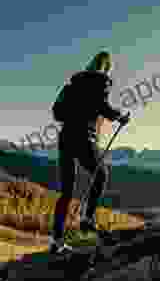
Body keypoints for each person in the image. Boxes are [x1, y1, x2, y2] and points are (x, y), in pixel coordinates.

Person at [50, 51, 131, 254]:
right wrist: (119, 116)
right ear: (106, 67)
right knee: (101, 174)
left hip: (66, 137)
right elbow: (102, 106)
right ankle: (87, 219)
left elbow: (56, 112)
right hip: (84, 137)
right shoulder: (100, 81)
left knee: (66, 192)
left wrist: (75, 112)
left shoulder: (72, 85)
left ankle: (56, 240)